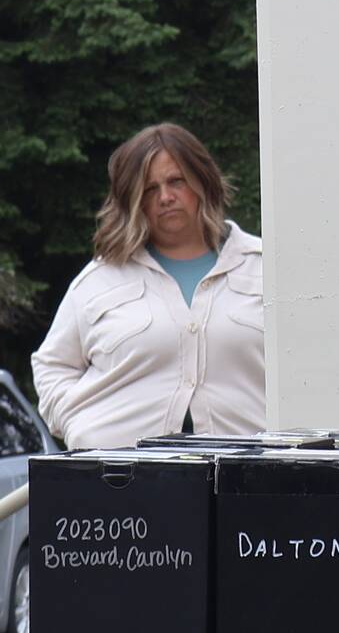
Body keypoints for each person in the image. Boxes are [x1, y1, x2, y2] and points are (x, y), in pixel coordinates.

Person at [32, 123, 266, 449]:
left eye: (176, 181)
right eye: (150, 189)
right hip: (122, 483)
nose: (166, 197)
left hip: (247, 479)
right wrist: (77, 425)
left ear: (203, 181)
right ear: (134, 200)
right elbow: (52, 365)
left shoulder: (265, 268)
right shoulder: (99, 280)